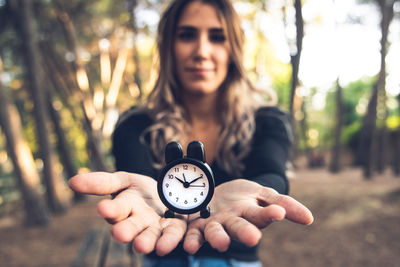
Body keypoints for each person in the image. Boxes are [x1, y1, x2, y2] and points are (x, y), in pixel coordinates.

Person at [69, 0, 314, 266]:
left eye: (218, 37)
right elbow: (135, 182)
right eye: (187, 35)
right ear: (167, 47)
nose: (201, 51)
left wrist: (262, 191)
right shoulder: (134, 126)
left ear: (235, 48)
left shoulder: (269, 121)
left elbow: (271, 172)